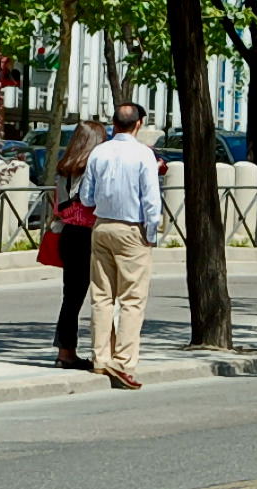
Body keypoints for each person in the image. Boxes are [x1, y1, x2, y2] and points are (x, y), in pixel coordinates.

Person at [79, 103, 162, 390]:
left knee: (101, 296)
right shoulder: (143, 155)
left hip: (102, 225)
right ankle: (123, 362)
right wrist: (152, 232)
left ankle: (100, 357)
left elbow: (86, 197)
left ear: (114, 123)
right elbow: (151, 200)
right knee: (131, 298)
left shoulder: (99, 152)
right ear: (138, 124)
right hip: (132, 229)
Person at [51, 120, 107, 370]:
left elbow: (56, 206)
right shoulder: (94, 168)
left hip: (68, 234)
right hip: (89, 233)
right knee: (104, 294)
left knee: (71, 297)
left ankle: (66, 351)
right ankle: (103, 349)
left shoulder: (62, 169)